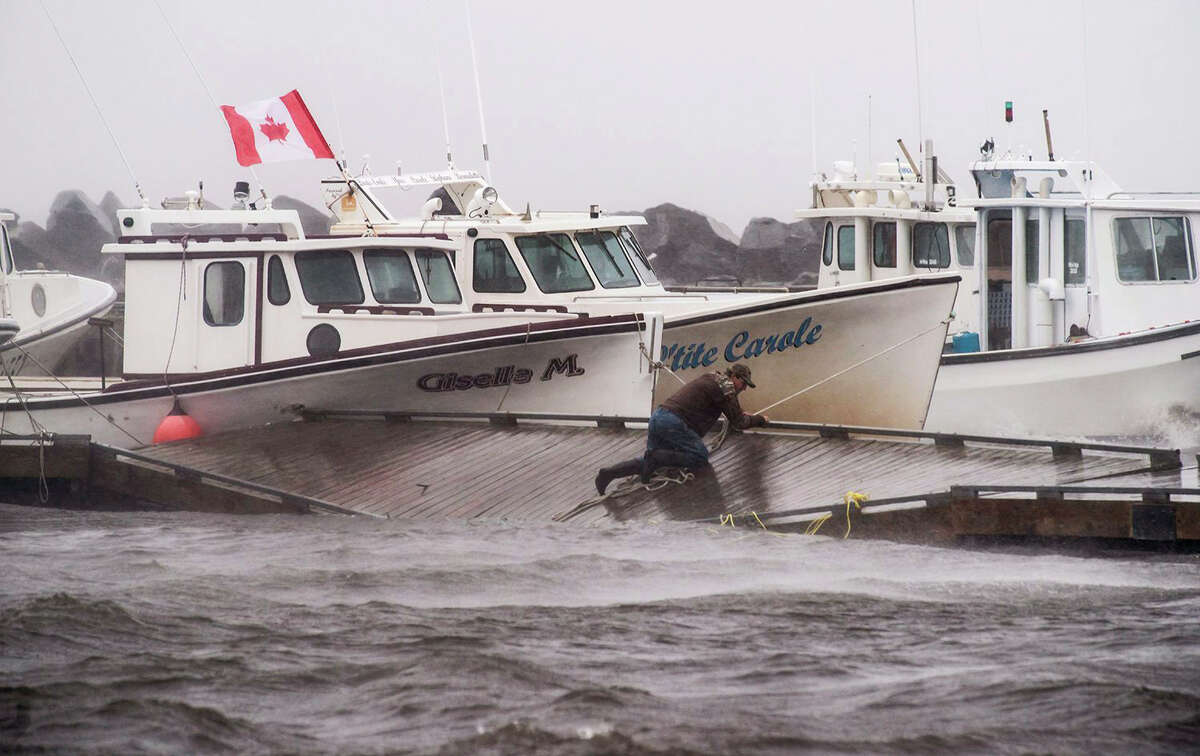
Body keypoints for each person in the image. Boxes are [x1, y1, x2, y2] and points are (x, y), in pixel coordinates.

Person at [594, 363, 769, 495]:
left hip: (659, 417)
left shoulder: (712, 377)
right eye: (744, 383)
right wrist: (761, 420)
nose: (745, 388)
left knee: (648, 461)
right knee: (699, 456)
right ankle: (657, 457)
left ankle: (609, 473)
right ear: (735, 377)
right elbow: (738, 422)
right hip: (674, 423)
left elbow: (732, 411)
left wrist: (739, 413)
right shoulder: (727, 387)